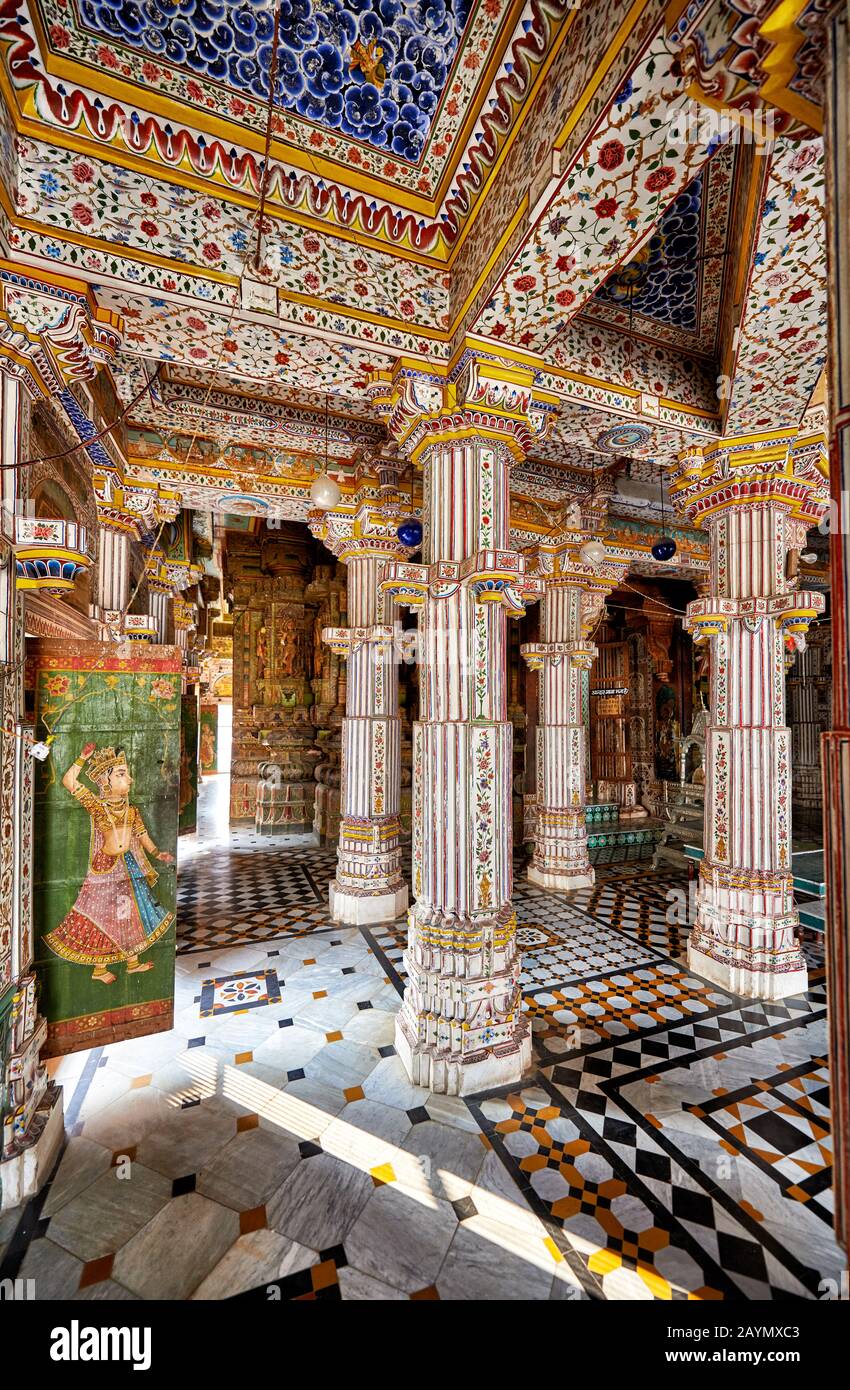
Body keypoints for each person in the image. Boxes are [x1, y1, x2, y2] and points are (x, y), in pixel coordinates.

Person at [43, 744, 175, 984]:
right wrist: (82, 758)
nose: (130, 780)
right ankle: (99, 968)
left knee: (130, 913)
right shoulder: (98, 806)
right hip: (105, 866)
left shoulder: (131, 810)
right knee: (101, 915)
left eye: (127, 774)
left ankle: (132, 963)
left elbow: (142, 835)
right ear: (106, 780)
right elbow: (69, 781)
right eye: (122, 775)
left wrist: (157, 853)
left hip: (129, 865)